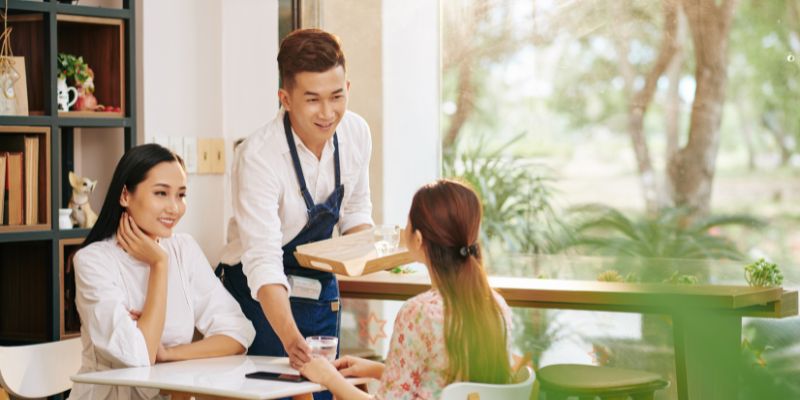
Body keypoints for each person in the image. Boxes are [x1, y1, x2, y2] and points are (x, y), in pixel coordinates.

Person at [216, 27, 373, 386]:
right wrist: (290, 338)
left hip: (318, 290)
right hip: (258, 295)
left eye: (336, 96)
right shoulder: (258, 157)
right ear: (285, 99)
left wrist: (370, 251)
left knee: (320, 393)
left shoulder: (357, 133)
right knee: (269, 392)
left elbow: (357, 211)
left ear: (347, 89)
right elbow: (263, 260)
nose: (328, 113)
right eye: (312, 99)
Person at [70, 144, 255, 399]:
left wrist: (170, 354)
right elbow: (139, 357)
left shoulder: (184, 249)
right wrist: (159, 265)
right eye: (160, 193)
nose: (174, 207)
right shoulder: (93, 261)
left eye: (181, 195)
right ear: (125, 195)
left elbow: (239, 333)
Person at [300, 179, 513, 399]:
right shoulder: (496, 307)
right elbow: (445, 382)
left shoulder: (419, 313)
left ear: (418, 239)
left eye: (408, 224)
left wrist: (329, 377)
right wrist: (378, 370)